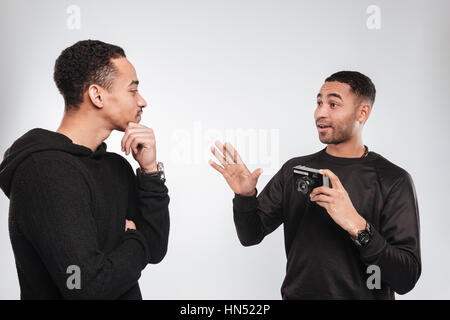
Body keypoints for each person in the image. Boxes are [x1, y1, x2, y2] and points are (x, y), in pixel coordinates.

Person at [209, 71, 421, 299]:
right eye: (319, 102)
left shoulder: (392, 180)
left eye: (333, 104)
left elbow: (405, 277)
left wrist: (357, 225)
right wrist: (245, 196)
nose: (320, 113)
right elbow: (250, 235)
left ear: (362, 113)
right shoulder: (295, 171)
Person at [0, 40, 169, 299]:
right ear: (97, 95)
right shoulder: (44, 172)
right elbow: (84, 287)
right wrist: (135, 239)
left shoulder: (116, 167)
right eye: (133, 90)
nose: (142, 101)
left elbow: (155, 246)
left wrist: (149, 171)